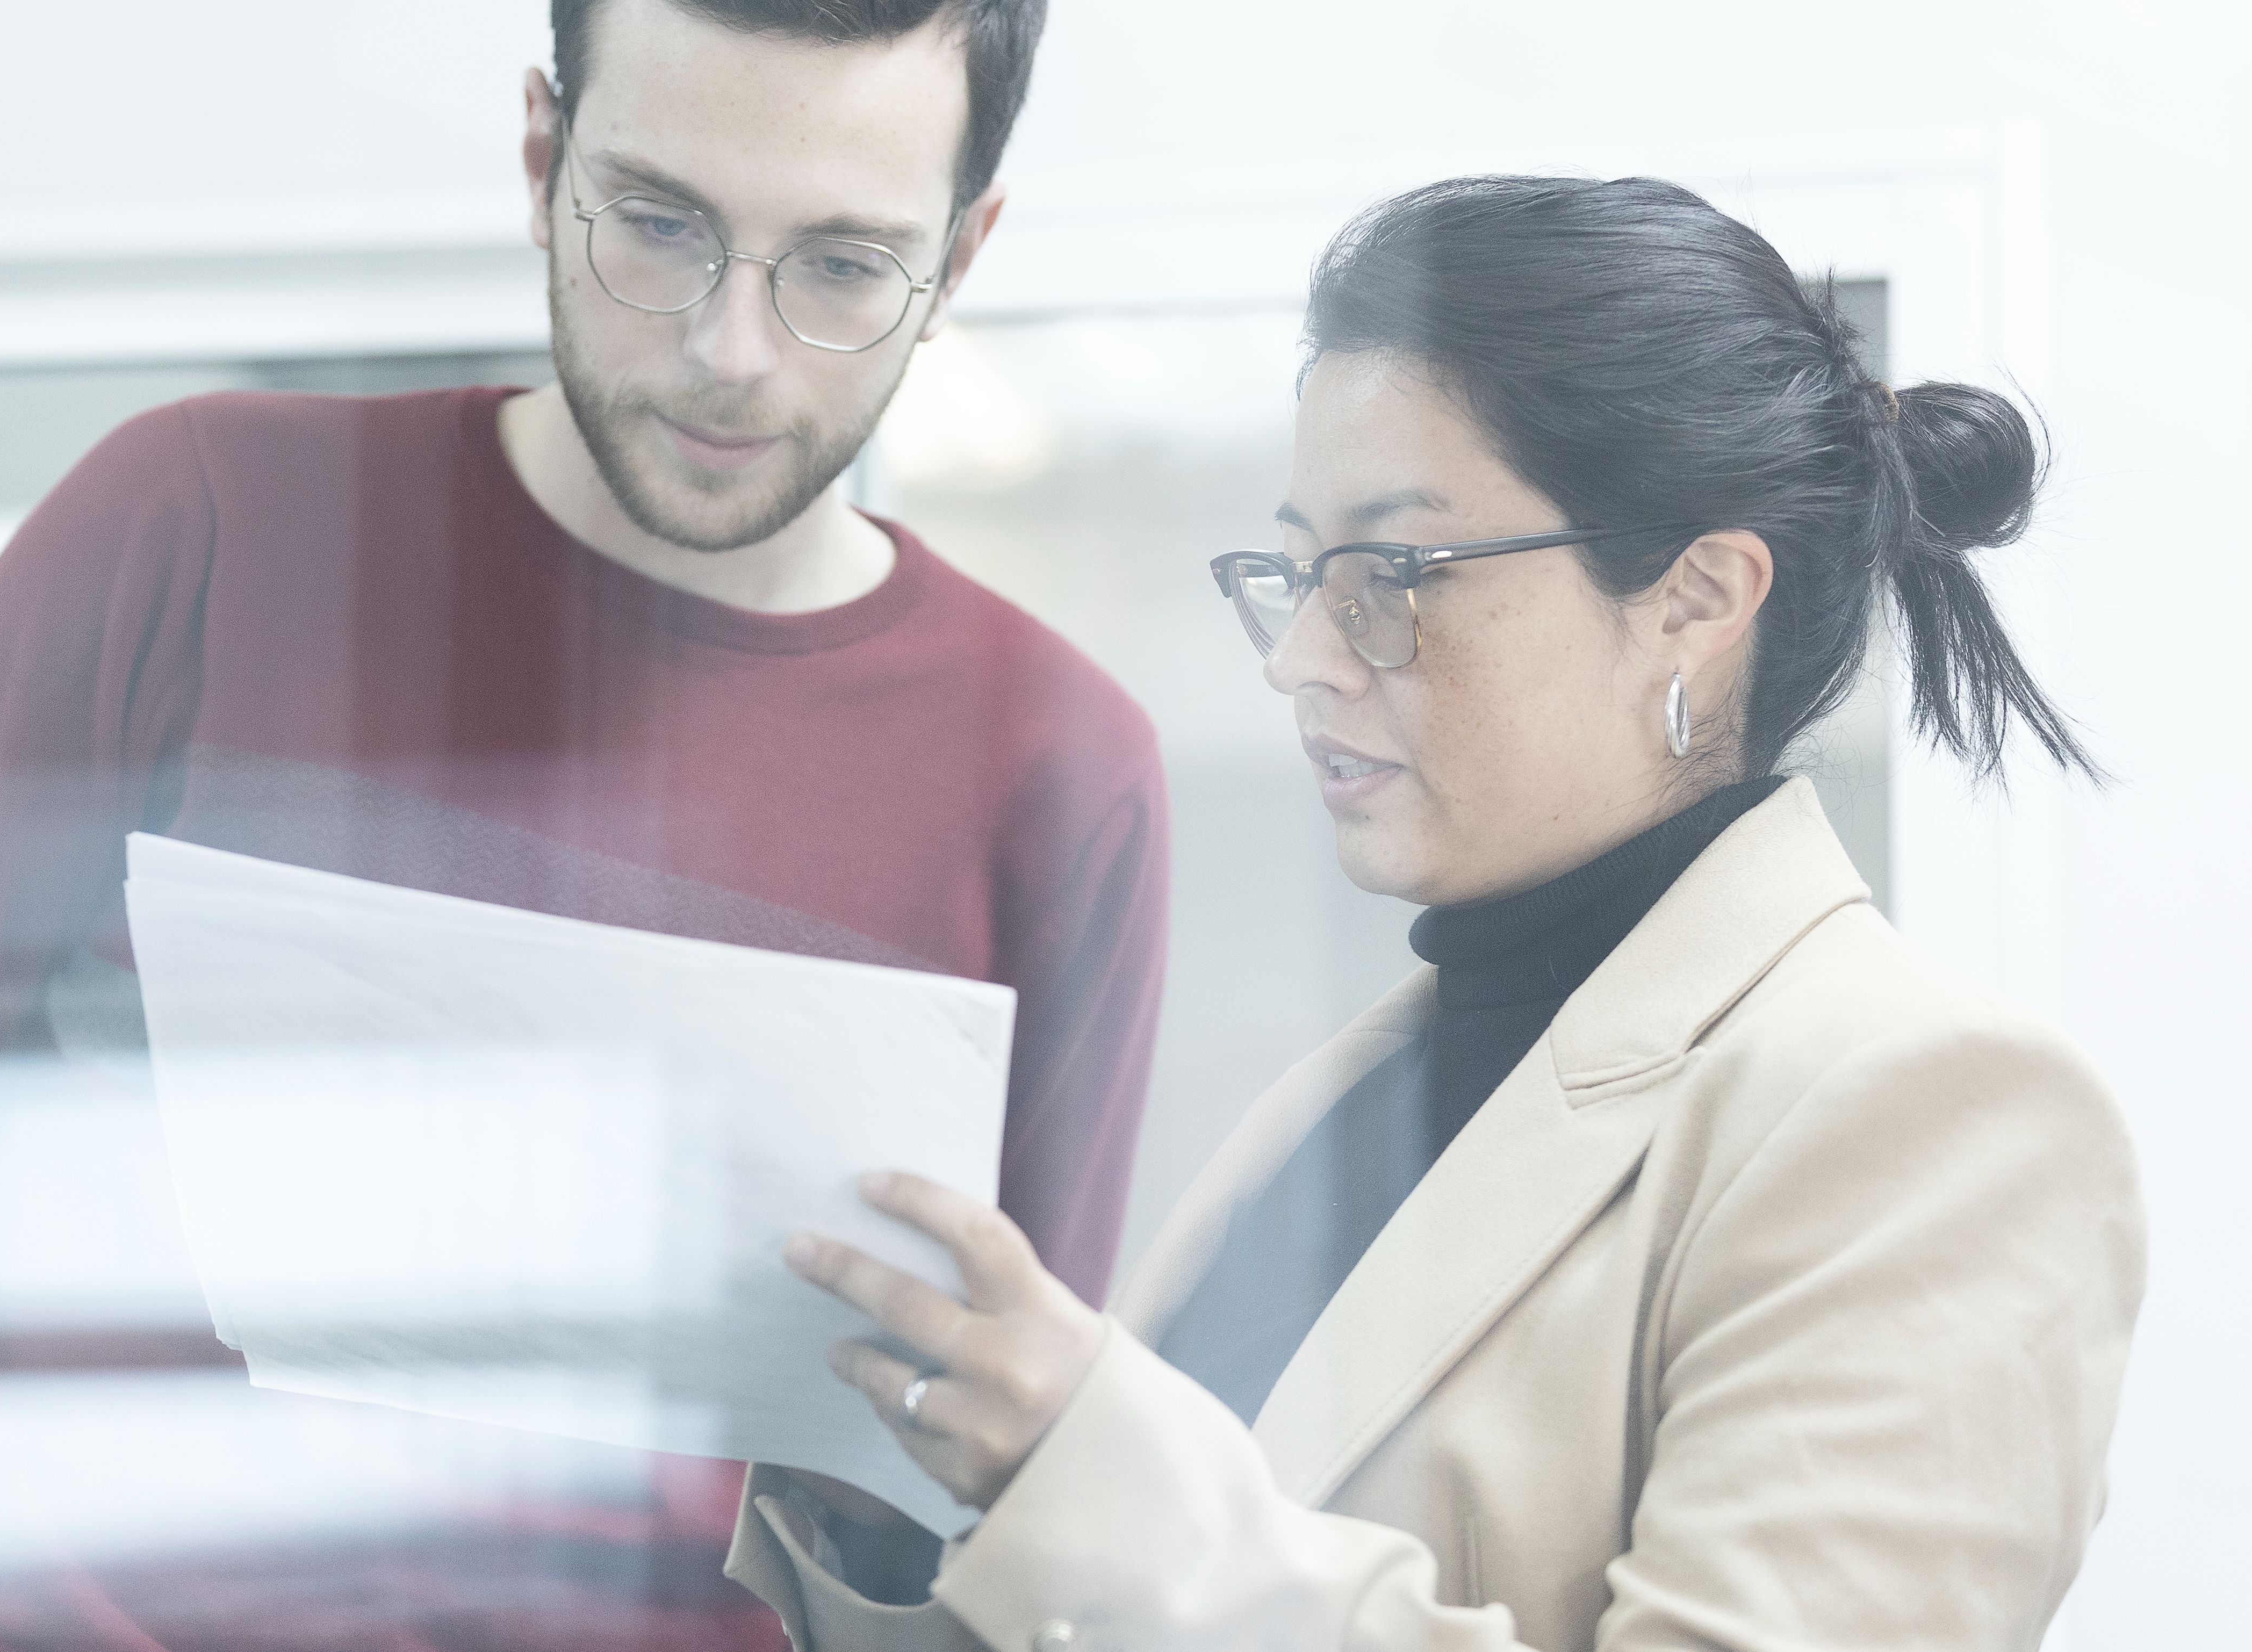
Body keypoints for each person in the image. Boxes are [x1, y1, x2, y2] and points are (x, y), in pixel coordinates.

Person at [0, 2, 1171, 1648]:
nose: (730, 349)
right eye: (657, 223)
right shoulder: (196, 525)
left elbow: (976, 1491)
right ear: (543, 159)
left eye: (839, 264)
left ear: (958, 257)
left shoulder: (1057, 771)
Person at [739, 175, 2144, 1651]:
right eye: (1301, 571)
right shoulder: (1358, 1094)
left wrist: (1087, 1485)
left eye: (1390, 573)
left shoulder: (1930, 1108)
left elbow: (1175, 1559)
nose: (1297, 656)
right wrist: (906, 1482)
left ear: (1695, 599)